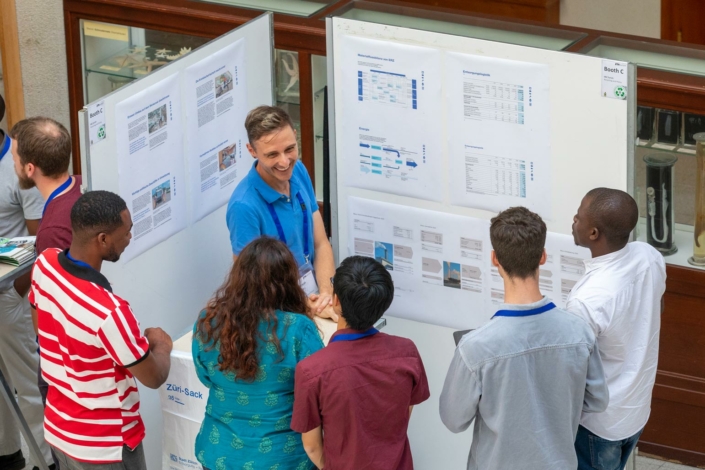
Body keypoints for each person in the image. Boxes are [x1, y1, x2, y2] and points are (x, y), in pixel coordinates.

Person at [439, 206, 608, 470]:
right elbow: (598, 399)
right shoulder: (579, 332)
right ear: (542, 257)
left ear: (495, 260)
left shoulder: (474, 348)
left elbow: (453, 420)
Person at [30, 190, 173, 468]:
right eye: (127, 231)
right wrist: (161, 345)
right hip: (107, 447)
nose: (130, 236)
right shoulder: (110, 312)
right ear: (103, 239)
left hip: (60, 432)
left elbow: (45, 332)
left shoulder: (45, 264)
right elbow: (154, 376)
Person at [193, 236, 324, 470]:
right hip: (284, 458)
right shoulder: (297, 329)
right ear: (288, 281)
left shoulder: (208, 322)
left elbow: (205, 376)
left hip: (220, 453)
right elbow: (321, 390)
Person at [291, 256, 430, 470]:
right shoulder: (407, 352)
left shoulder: (312, 370)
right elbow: (404, 415)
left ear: (335, 301)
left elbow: (311, 446)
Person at [568, 188, 666, 470]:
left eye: (579, 216)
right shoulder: (648, 256)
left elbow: (574, 372)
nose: (574, 219)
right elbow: (656, 305)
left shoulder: (586, 300)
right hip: (636, 409)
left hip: (597, 427)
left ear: (594, 233)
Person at [226, 106, 336, 320]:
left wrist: (326, 294)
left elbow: (321, 243)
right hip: (280, 314)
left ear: (295, 137)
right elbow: (252, 283)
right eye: (272, 155)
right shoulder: (243, 206)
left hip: (315, 302)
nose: (285, 162)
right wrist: (306, 305)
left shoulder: (299, 171)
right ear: (252, 151)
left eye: (289, 149)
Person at [0, 95, 55, 470]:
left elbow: (42, 241)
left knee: (26, 382)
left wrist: (19, 293)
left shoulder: (18, 169)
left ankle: (46, 460)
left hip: (9, 293)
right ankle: (8, 454)